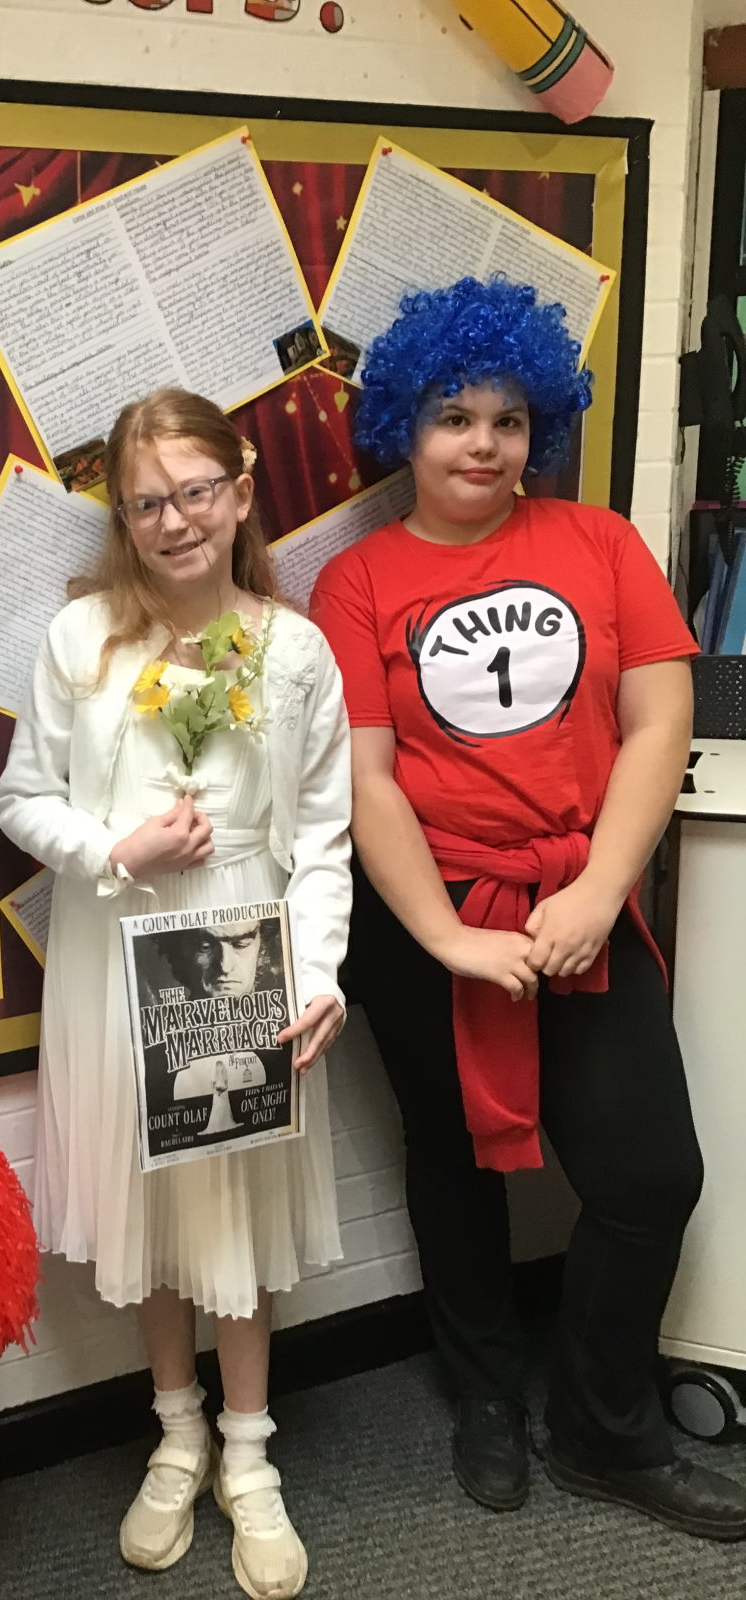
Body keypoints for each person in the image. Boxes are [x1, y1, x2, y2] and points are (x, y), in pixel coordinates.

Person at [310, 276, 746, 1540]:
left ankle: (607, 1427)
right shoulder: (356, 580)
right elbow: (367, 777)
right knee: (453, 1164)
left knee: (649, 1173)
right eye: (454, 416)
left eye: (509, 419)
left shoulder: (600, 543)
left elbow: (660, 720)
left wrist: (602, 892)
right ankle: (486, 1393)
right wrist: (448, 936)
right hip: (428, 914)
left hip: (582, 898)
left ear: (539, 425)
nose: (484, 444)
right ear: (405, 425)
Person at [0, 388, 352, 1599]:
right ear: (123, 516)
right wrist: (114, 848)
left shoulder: (294, 648)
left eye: (197, 492)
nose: (176, 520)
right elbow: (22, 797)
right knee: (147, 1195)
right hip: (118, 940)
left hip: (246, 945)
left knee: (232, 1198)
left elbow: (324, 832)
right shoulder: (80, 637)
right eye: (148, 502)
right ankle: (178, 1430)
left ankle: (249, 1454)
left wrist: (320, 969)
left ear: (241, 493)